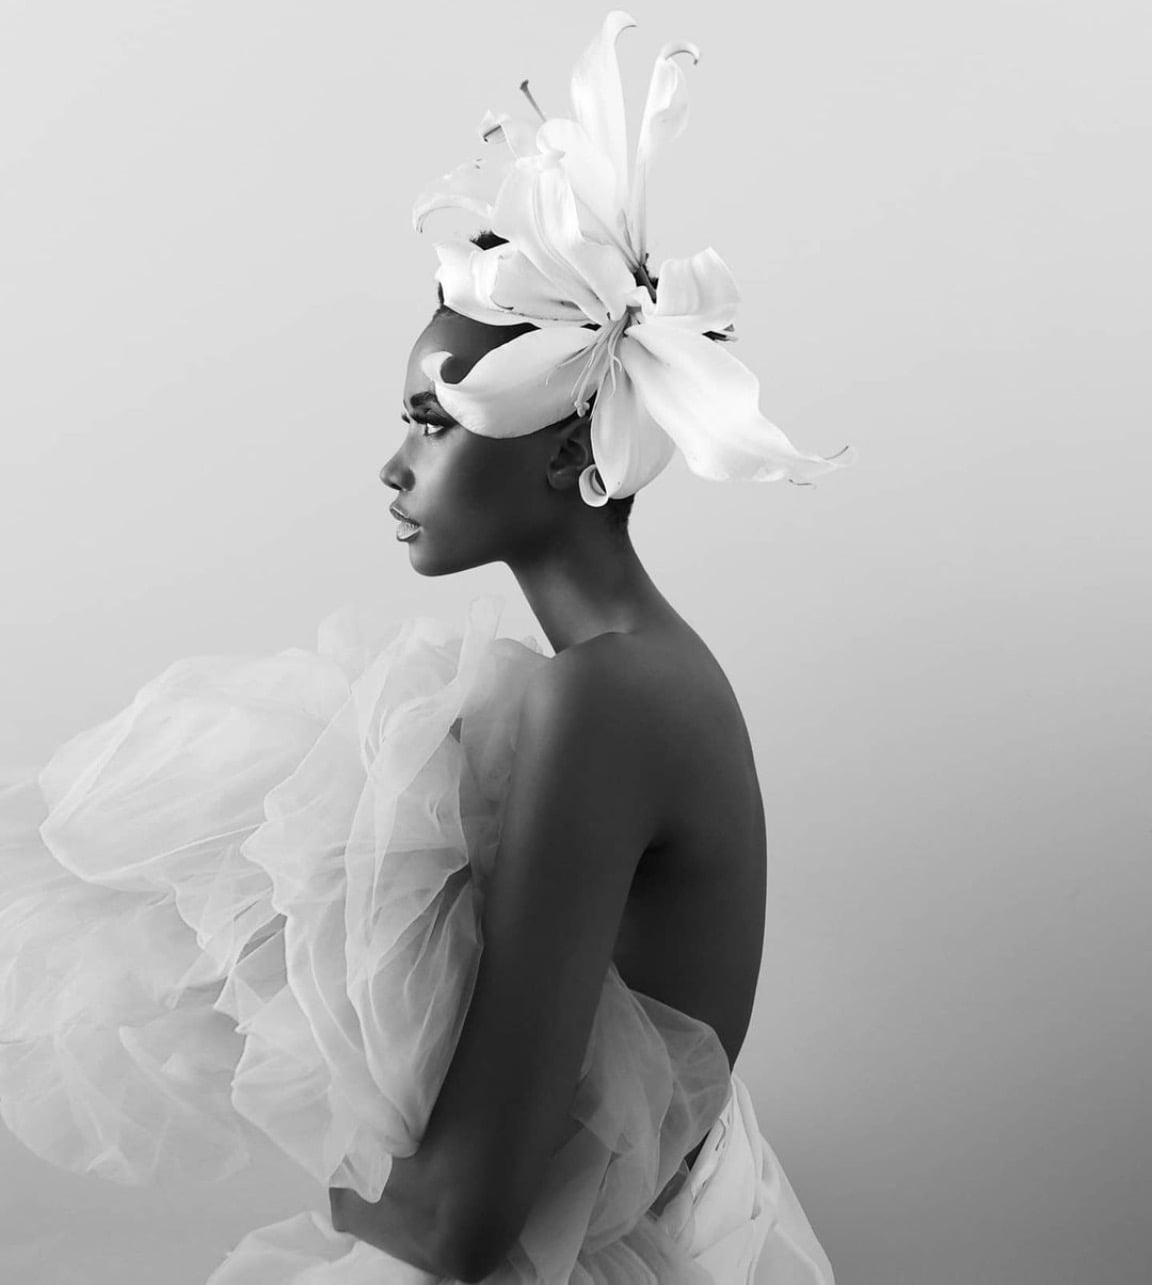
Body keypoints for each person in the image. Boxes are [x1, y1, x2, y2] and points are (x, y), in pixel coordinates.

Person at [0, 11, 848, 1282]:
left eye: (433, 419)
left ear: (568, 446)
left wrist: (345, 1176)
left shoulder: (606, 698)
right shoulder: (642, 673)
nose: (394, 466)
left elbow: (463, 1224)